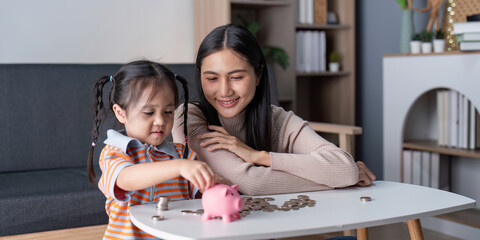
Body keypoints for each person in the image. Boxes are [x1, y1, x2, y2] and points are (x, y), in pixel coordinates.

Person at [172, 24, 376, 196]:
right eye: (212, 79)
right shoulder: (189, 117)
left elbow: (343, 168)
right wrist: (337, 180)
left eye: (236, 77)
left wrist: (260, 157)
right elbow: (251, 182)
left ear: (258, 75)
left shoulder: (277, 119)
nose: (224, 90)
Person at [87, 60, 216, 239]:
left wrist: (216, 184)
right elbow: (126, 179)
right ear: (120, 113)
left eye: (168, 112)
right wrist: (178, 167)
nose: (160, 121)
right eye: (149, 113)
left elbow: (204, 194)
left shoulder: (183, 154)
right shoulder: (113, 152)